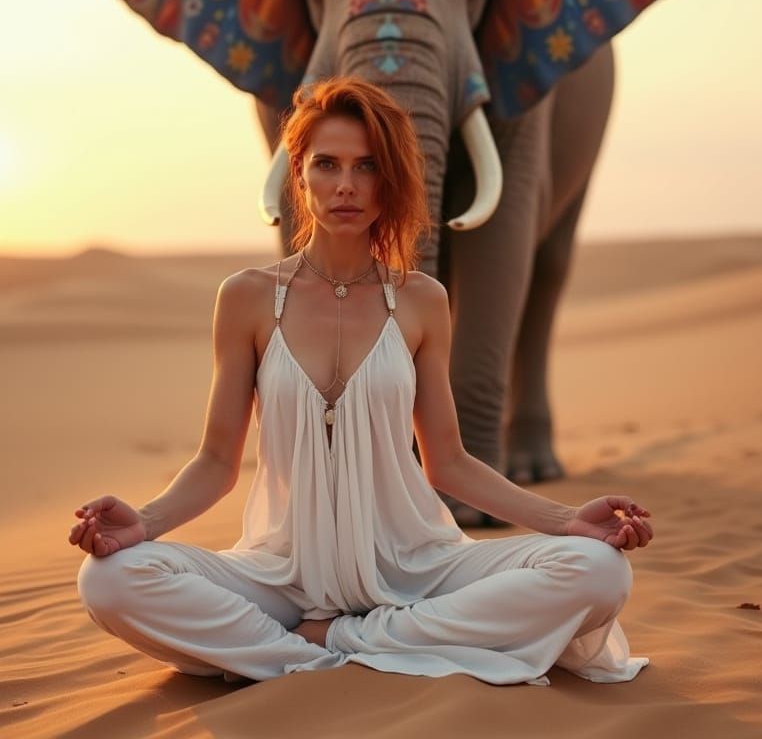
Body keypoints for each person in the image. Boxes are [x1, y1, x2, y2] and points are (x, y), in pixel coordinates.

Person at [70, 76, 653, 686]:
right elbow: (217, 462)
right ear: (299, 175)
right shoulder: (247, 297)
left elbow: (449, 463)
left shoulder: (422, 300)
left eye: (367, 166)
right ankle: (322, 647)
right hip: (282, 575)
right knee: (107, 581)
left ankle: (335, 643)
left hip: (415, 567)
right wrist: (145, 523)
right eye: (327, 164)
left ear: (390, 179)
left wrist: (566, 521)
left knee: (601, 573)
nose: (346, 184)